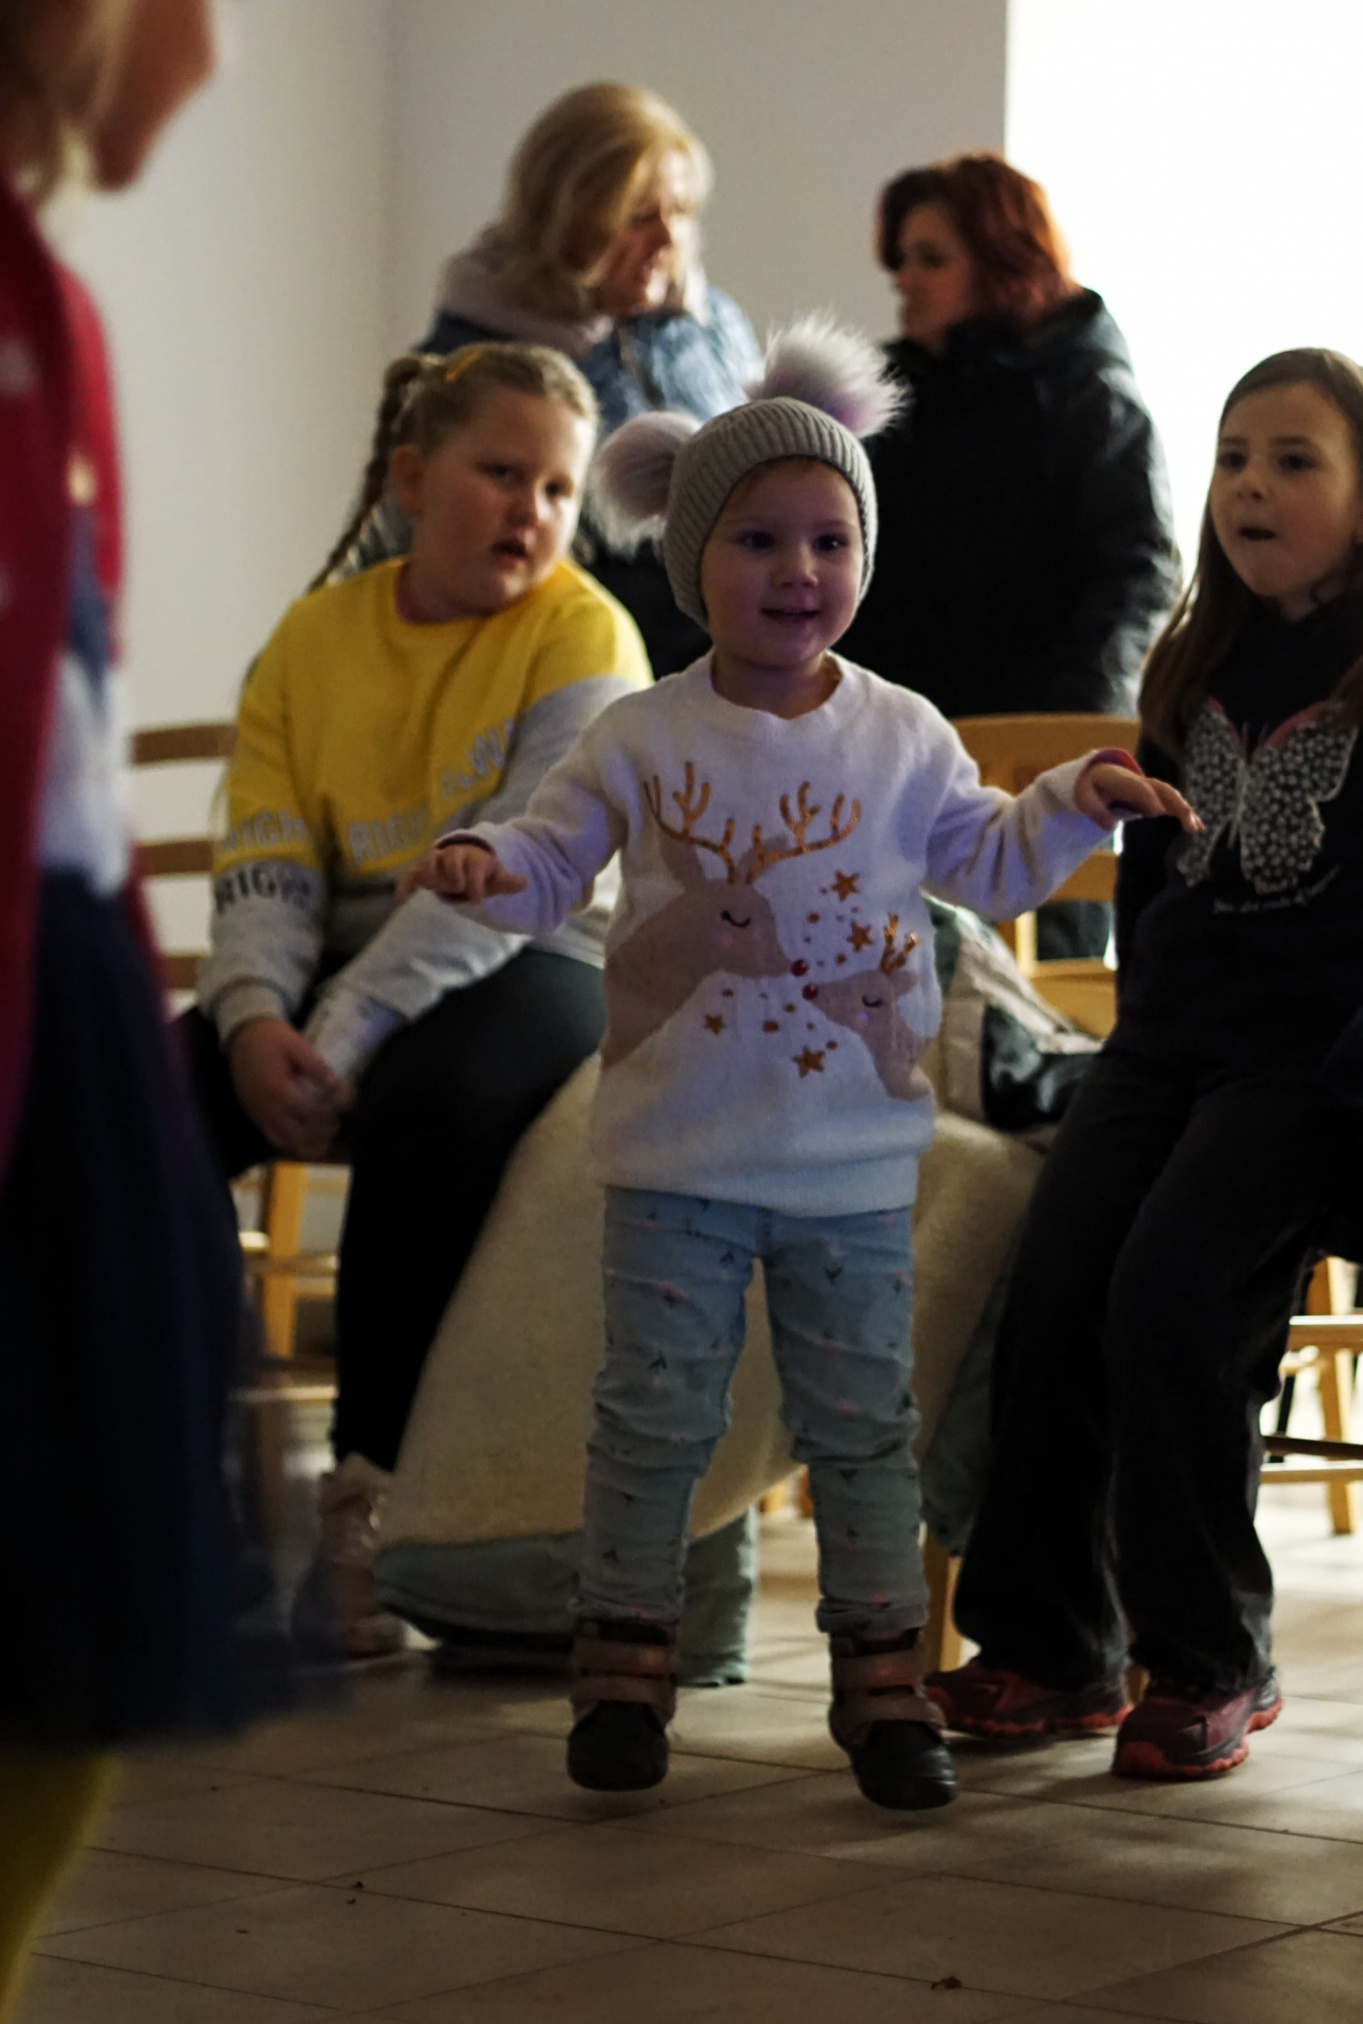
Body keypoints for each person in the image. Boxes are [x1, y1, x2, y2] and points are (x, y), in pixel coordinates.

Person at [402, 317, 1197, 1811]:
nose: (798, 570)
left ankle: (884, 1685)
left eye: (830, 540)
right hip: (675, 1167)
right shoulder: (643, 733)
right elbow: (552, 858)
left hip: (850, 1173)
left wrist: (1075, 799)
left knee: (864, 1432)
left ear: (864, 556)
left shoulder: (900, 733)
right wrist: (485, 863)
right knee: (652, 1418)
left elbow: (991, 862)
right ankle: (622, 1670)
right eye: (759, 539)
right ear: (693, 558)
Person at [926, 348, 1363, 1780]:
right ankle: (1055, 1646)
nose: (1250, 487)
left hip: (1316, 1073)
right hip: (1164, 1050)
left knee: (1171, 1290)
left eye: (1292, 461)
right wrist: (1140, 1024)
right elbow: (1152, 881)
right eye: (1231, 458)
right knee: (1057, 1279)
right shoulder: (1194, 668)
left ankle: (1212, 1655)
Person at [183, 341, 652, 1662]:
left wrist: (341, 1036)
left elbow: (508, 877)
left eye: (556, 489)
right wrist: (253, 1019)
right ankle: (194, 1505)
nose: (531, 511)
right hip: (335, 966)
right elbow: (266, 861)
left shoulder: (584, 632)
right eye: (500, 472)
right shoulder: (310, 639)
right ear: (409, 478)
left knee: (431, 1102)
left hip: (542, 952)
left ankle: (366, 1506)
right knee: (128, 1110)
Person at [0, 2, 238, 2014]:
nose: (212, 54)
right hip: (34, 1025)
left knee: (56, 1646)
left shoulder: (45, 306)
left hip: (63, 1004)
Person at [838, 153, 1179, 959]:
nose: (904, 281)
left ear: (1003, 263)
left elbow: (1135, 581)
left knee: (1031, 996)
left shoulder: (1094, 400)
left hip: (1039, 767)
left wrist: (1061, 743)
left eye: (931, 258)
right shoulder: (887, 395)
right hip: (892, 758)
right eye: (902, 259)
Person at [350, 81, 759, 676]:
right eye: (640, 217)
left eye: (680, 213)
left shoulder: (712, 326)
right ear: (566, 215)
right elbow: (397, 566)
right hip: (562, 677)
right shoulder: (468, 364)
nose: (668, 240)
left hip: (734, 674)